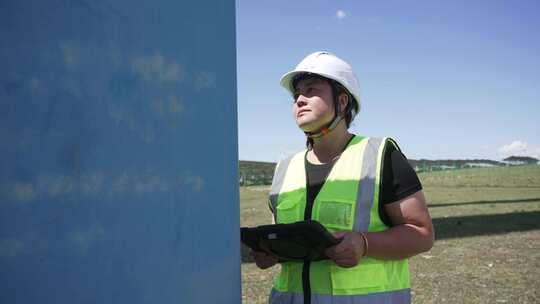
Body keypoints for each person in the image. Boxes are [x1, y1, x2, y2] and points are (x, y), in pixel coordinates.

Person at [252, 51, 435, 304]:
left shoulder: (380, 156)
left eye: (311, 90)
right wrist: (273, 253)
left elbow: (422, 234)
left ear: (342, 100)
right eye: (296, 96)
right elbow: (289, 241)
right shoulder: (285, 168)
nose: (300, 100)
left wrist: (364, 243)